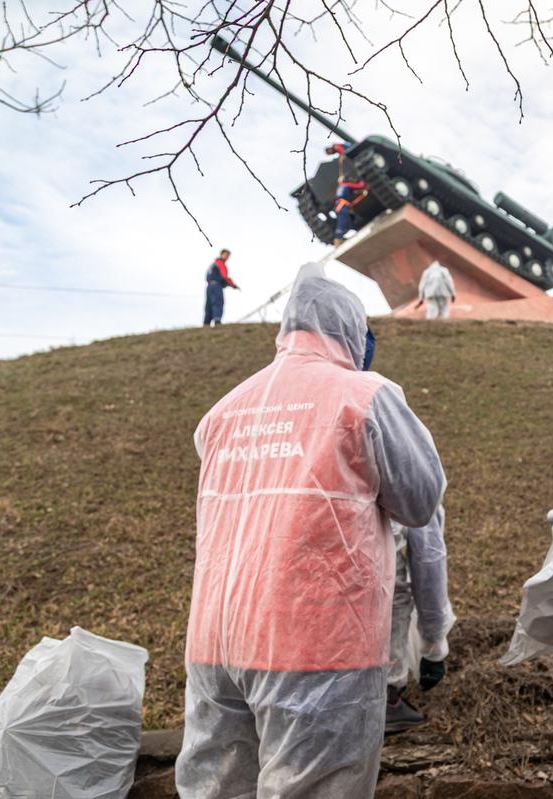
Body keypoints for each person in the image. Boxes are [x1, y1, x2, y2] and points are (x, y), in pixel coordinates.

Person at [175, 267, 446, 798]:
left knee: (216, 790)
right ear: (350, 329)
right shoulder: (363, 397)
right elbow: (420, 499)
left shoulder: (222, 412)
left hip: (214, 646)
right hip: (318, 647)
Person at [385, 505, 456, 734]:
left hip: (286, 669)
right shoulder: (402, 469)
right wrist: (433, 646)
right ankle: (387, 699)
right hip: (368, 675)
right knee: (389, 589)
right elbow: (428, 559)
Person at [327, 142, 367, 246]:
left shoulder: (342, 186)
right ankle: (338, 240)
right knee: (343, 222)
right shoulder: (346, 185)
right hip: (343, 206)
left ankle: (340, 238)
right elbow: (359, 187)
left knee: (346, 222)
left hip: (340, 206)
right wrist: (364, 184)